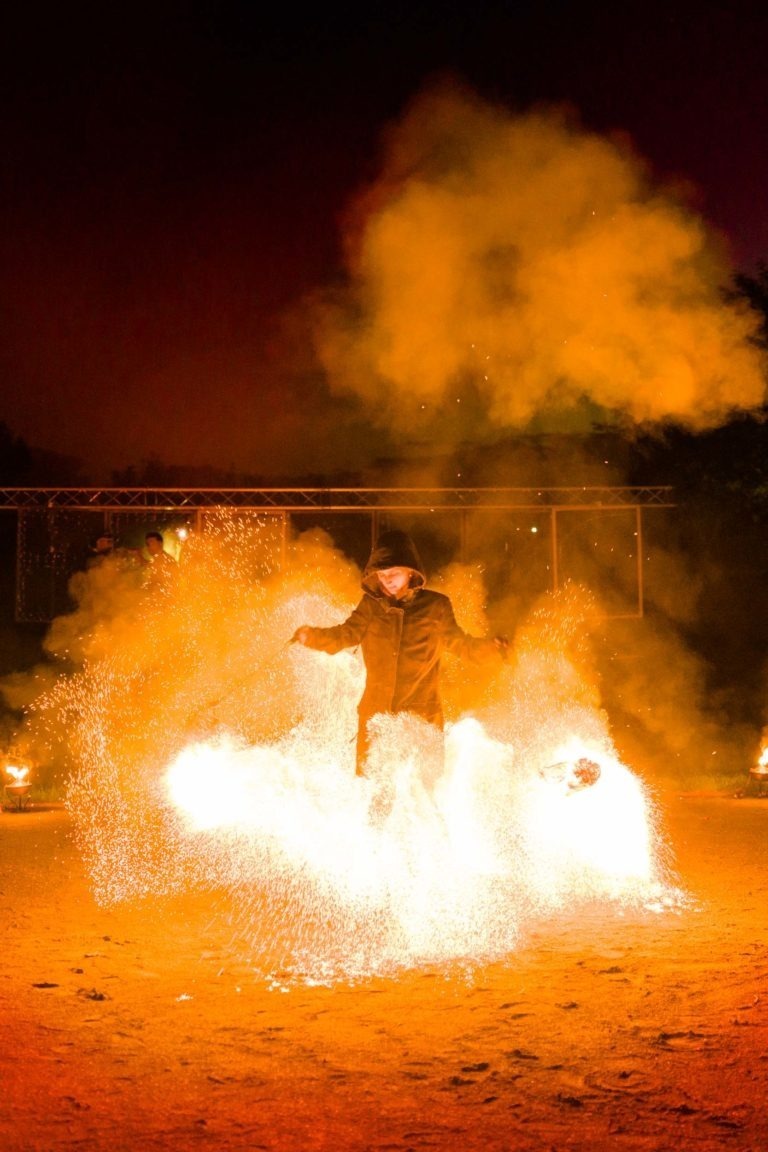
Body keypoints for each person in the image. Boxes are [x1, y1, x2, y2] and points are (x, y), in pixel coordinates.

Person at [292, 530, 507, 775]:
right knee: (374, 785)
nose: (387, 580)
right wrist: (313, 637)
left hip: (421, 718)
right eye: (382, 575)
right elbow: (346, 634)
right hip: (377, 716)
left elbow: (462, 645)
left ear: (410, 571)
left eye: (393, 573)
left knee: (420, 788)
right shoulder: (371, 606)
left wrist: (493, 649)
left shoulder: (435, 606)